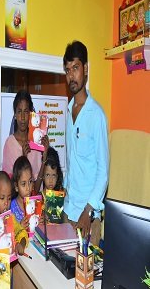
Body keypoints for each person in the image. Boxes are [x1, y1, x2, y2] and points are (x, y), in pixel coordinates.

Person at [62, 40, 109, 246]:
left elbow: (103, 172)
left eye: (75, 68)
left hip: (87, 218)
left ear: (86, 69)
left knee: (86, 277)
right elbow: (72, 163)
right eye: (67, 70)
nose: (71, 75)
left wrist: (88, 211)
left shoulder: (96, 115)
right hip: (67, 210)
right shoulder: (68, 109)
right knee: (60, 276)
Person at [2, 89, 49, 193]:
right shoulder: (9, 144)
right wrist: (23, 159)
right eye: (19, 112)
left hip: (34, 203)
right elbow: (8, 187)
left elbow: (35, 190)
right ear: (14, 115)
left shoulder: (36, 143)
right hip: (16, 206)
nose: (23, 117)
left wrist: (44, 158)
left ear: (31, 114)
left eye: (26, 111)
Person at [0, 170, 28, 256]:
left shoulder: (11, 218)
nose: (6, 203)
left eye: (9, 198)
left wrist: (21, 245)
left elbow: (22, 233)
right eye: (2, 198)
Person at [10, 156, 34, 229]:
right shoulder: (11, 208)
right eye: (23, 184)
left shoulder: (35, 204)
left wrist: (41, 222)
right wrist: (19, 227)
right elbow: (9, 234)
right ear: (16, 187)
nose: (28, 188)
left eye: (30, 181)